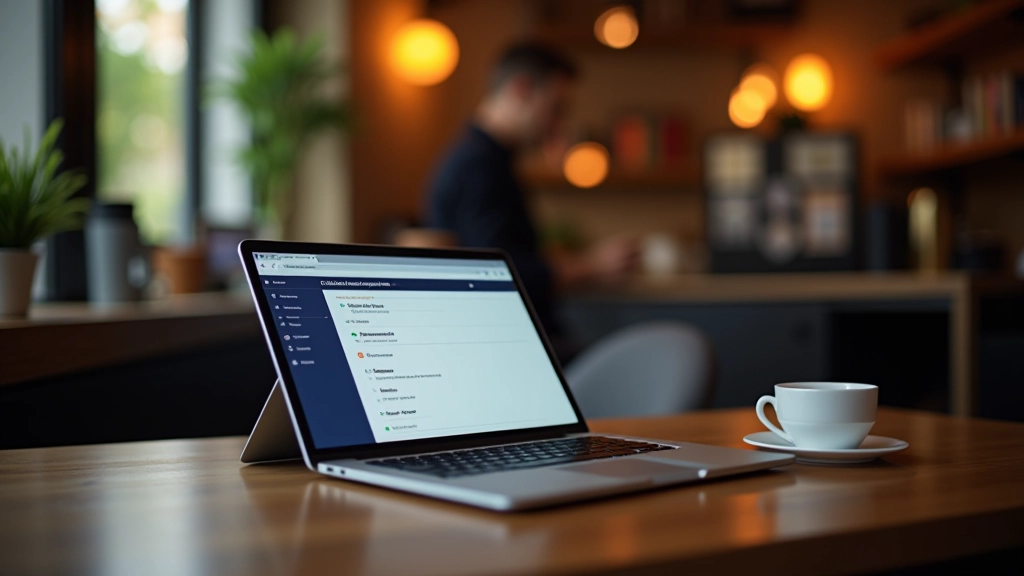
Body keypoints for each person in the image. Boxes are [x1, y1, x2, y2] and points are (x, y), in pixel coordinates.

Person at [423, 43, 639, 356]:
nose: (556, 124)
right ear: (521, 89)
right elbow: (494, 272)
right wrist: (590, 266)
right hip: (509, 348)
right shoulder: (479, 166)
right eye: (556, 109)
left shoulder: (485, 159)